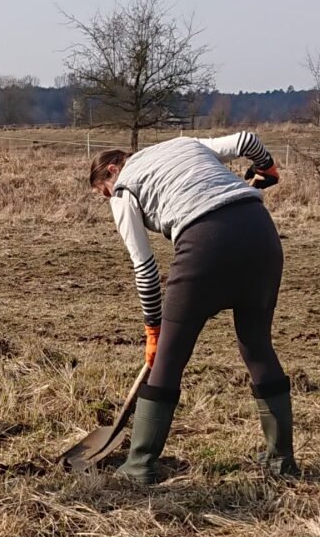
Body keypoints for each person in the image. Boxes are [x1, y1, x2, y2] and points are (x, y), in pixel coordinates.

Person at [90, 130, 295, 483]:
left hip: (204, 246)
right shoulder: (184, 144)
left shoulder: (123, 190)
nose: (108, 198)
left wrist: (153, 331)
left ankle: (139, 466)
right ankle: (281, 461)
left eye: (103, 192)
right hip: (261, 233)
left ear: (112, 171)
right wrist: (267, 168)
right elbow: (247, 141)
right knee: (257, 346)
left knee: (168, 359)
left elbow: (144, 267)